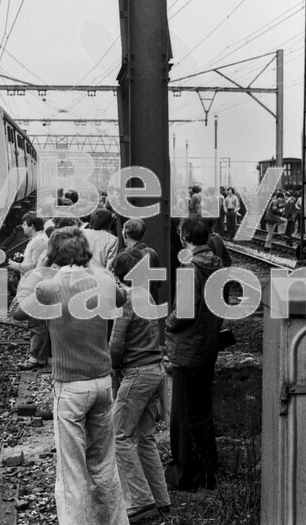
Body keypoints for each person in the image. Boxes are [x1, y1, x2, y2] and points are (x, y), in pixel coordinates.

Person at [12, 227, 128, 524]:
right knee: (104, 465)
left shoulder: (49, 288)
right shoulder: (101, 280)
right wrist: (96, 267)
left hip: (71, 387)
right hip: (102, 382)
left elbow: (17, 311)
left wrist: (38, 269)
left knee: (73, 471)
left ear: (53, 253)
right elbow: (122, 296)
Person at [109, 248, 171, 522]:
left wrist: (111, 366)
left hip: (137, 375)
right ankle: (160, 499)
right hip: (156, 371)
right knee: (145, 438)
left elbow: (116, 345)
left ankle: (140, 502)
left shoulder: (126, 301)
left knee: (118, 436)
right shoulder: (145, 295)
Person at [164, 218, 223, 496]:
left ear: (185, 236)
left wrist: (168, 322)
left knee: (182, 415)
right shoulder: (218, 266)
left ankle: (185, 473)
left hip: (187, 351)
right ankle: (210, 471)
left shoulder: (190, 268)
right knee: (202, 413)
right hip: (208, 347)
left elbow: (183, 313)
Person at [8, 212, 50, 371]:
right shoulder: (38, 240)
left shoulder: (39, 242)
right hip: (34, 286)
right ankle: (39, 355)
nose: (23, 227)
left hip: (34, 287)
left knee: (36, 323)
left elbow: (34, 267)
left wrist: (14, 265)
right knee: (36, 322)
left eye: (25, 224)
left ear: (32, 226)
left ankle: (37, 358)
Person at [121, 218, 162, 304]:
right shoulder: (153, 253)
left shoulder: (126, 257)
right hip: (152, 304)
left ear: (125, 235)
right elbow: (158, 283)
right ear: (143, 235)